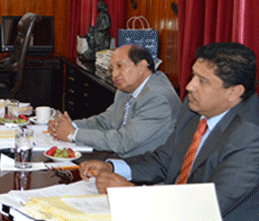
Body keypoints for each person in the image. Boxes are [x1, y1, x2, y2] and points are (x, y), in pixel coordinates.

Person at [79, 42, 259, 221]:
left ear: (234, 92)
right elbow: (164, 160)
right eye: (193, 76)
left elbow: (207, 207)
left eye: (202, 81)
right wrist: (113, 167)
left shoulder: (250, 136)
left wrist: (133, 194)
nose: (190, 86)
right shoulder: (195, 107)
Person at [48, 45, 181, 157]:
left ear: (142, 66)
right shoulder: (126, 88)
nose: (114, 74)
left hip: (143, 168)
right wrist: (69, 126)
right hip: (120, 156)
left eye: (120, 66)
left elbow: (124, 141)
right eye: (111, 69)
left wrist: (73, 134)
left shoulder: (158, 98)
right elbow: (105, 121)